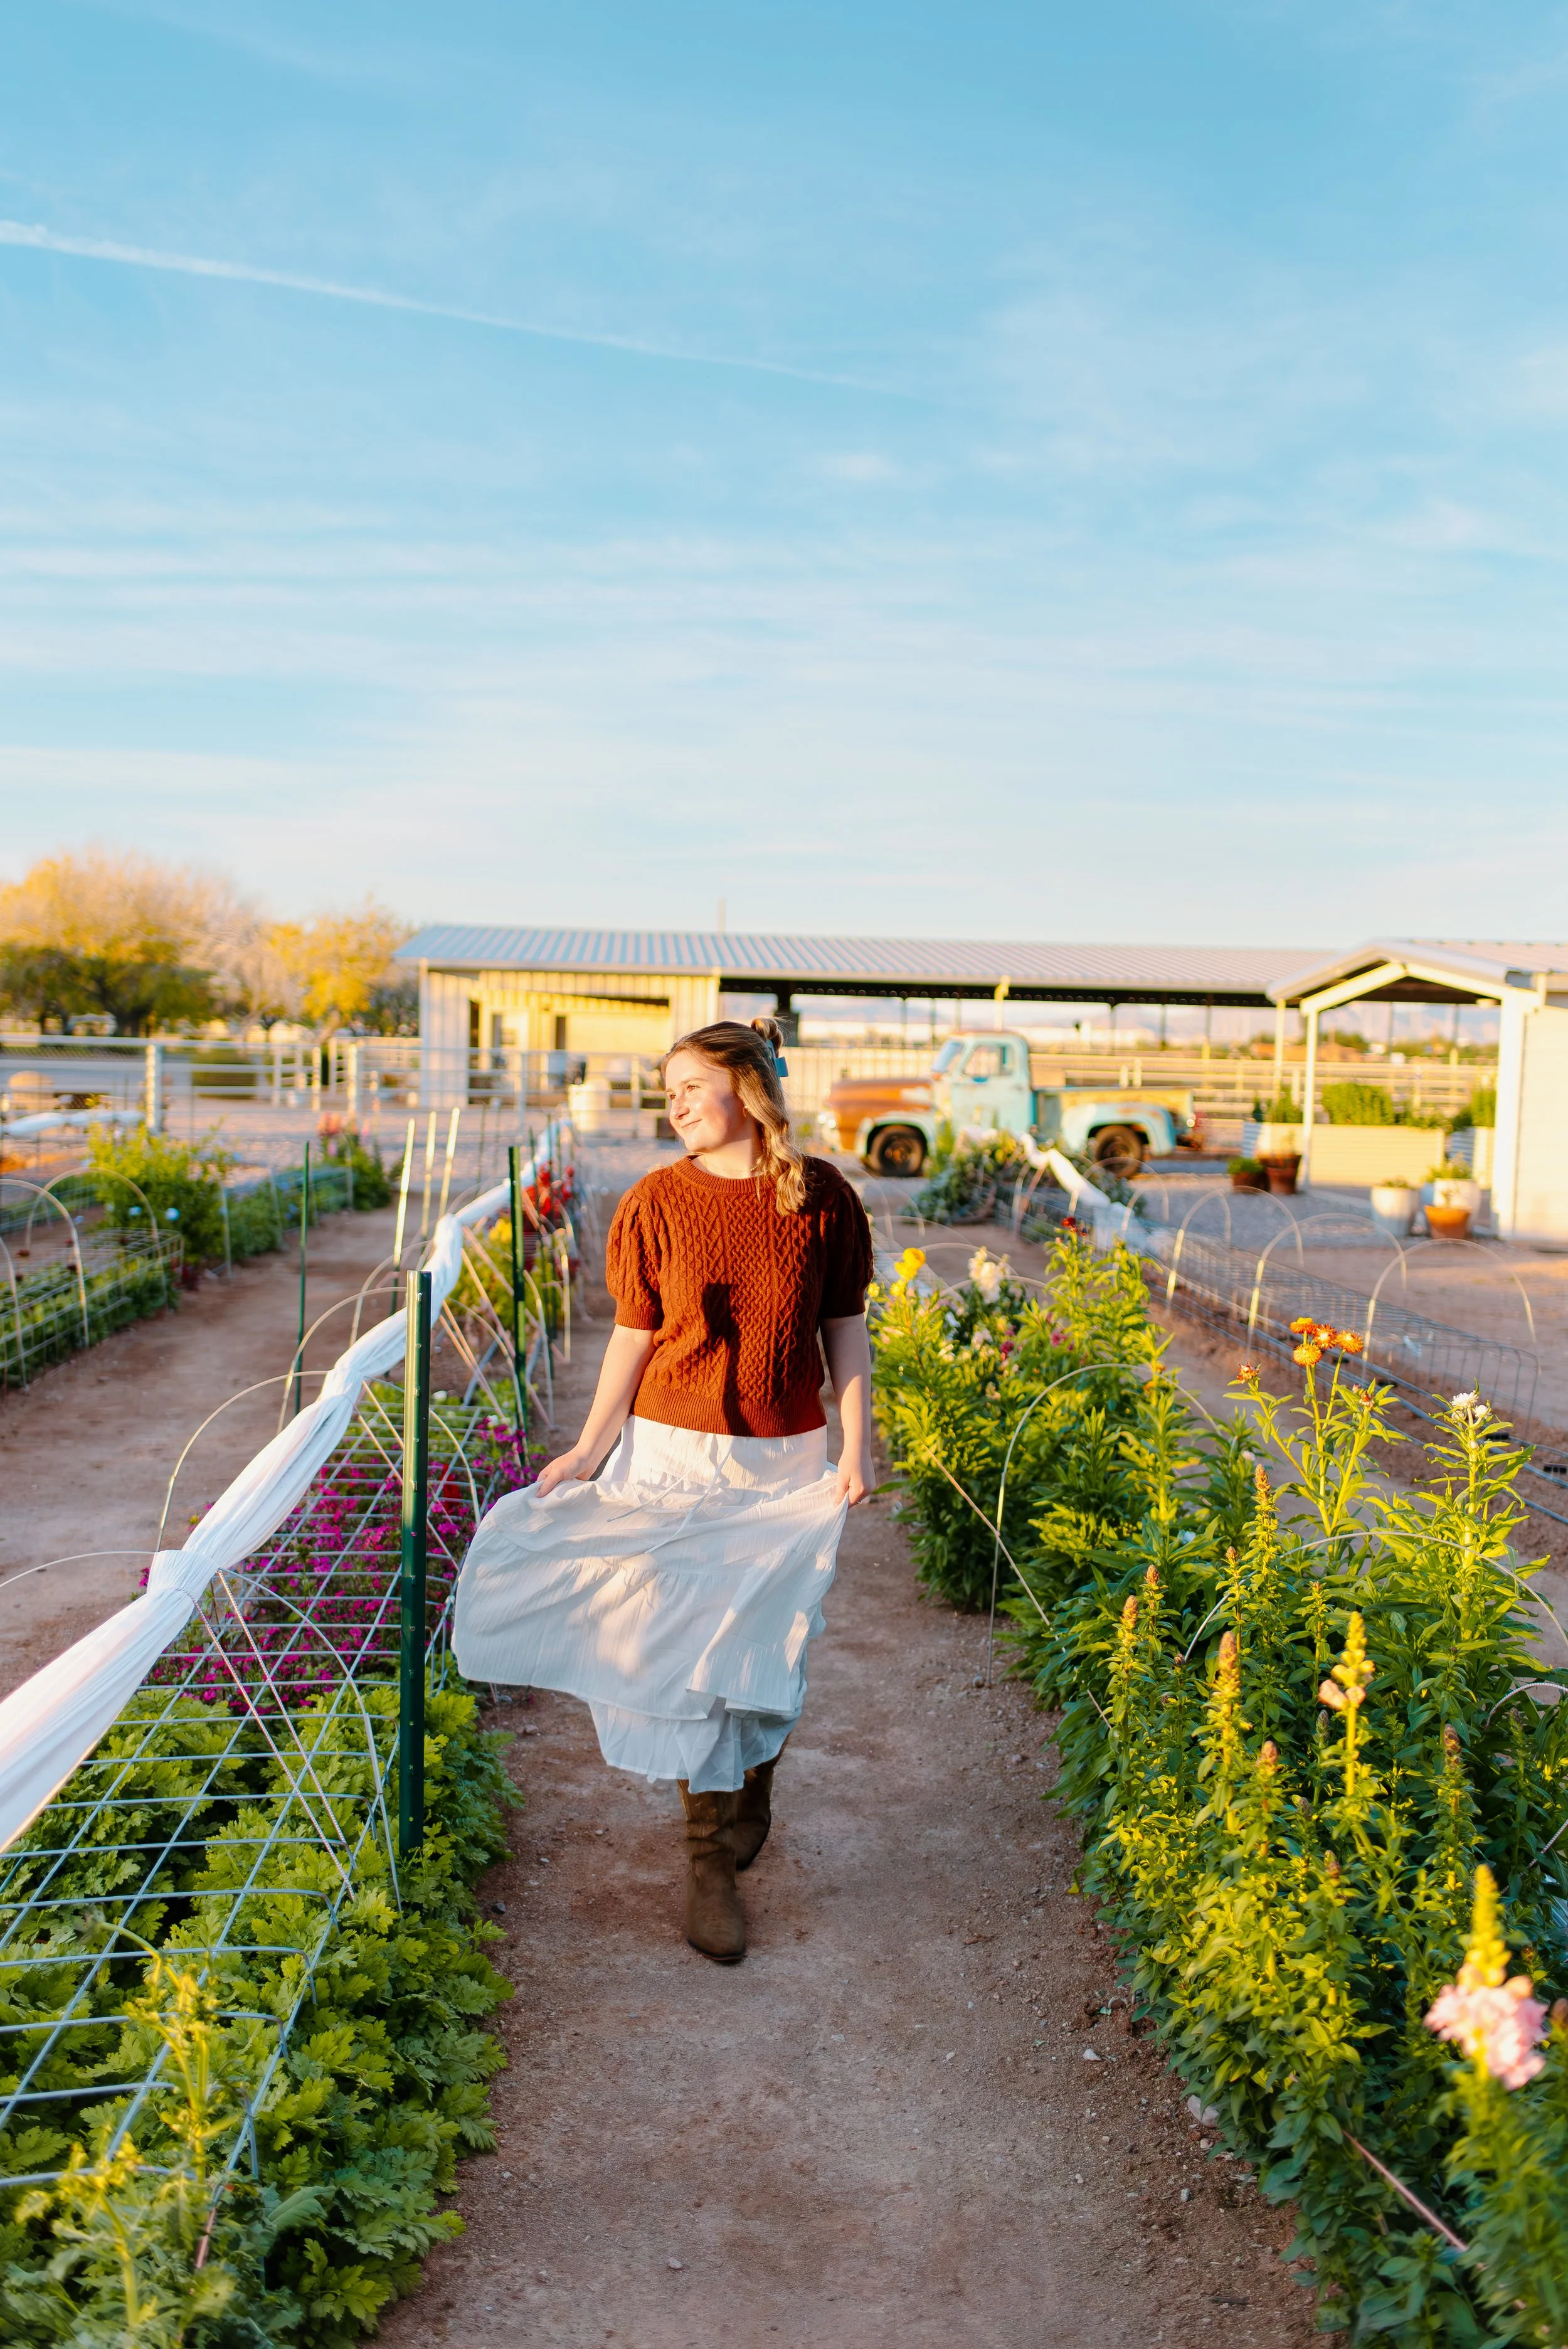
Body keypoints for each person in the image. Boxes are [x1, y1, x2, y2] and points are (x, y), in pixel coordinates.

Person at [452, 1017, 875, 1963]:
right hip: (673, 1458)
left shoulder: (824, 1200)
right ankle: (705, 1862)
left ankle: (753, 1777)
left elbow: (845, 1329)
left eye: (690, 1084)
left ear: (751, 1091)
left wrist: (858, 1443)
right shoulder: (654, 1203)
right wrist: (588, 1448)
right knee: (682, 1655)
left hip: (783, 1464)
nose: (672, 1102)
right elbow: (635, 1339)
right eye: (667, 1088)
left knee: (769, 1644)